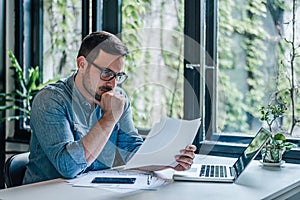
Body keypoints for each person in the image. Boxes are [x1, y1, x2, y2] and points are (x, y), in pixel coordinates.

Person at [23, 31, 196, 184]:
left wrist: (170, 159)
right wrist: (109, 119)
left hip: (90, 191)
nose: (112, 83)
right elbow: (69, 167)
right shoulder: (50, 100)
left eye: (118, 75)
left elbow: (131, 152)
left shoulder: (118, 98)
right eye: (106, 73)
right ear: (82, 64)